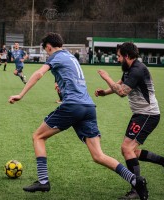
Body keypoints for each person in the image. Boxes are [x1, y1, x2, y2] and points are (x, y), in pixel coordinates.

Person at [8, 33, 148, 200]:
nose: (47, 54)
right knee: (98, 155)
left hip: (73, 106)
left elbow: (39, 74)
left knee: (38, 136)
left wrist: (21, 94)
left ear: (49, 47)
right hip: (88, 107)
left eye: (46, 50)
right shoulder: (69, 56)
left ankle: (43, 181)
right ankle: (135, 180)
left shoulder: (56, 56)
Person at [95, 42, 164, 199]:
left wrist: (106, 78)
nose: (117, 59)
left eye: (119, 56)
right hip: (140, 114)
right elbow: (120, 84)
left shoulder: (138, 70)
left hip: (148, 114)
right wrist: (105, 92)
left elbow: (122, 92)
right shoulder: (129, 69)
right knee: (129, 150)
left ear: (126, 56)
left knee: (127, 149)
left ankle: (137, 188)